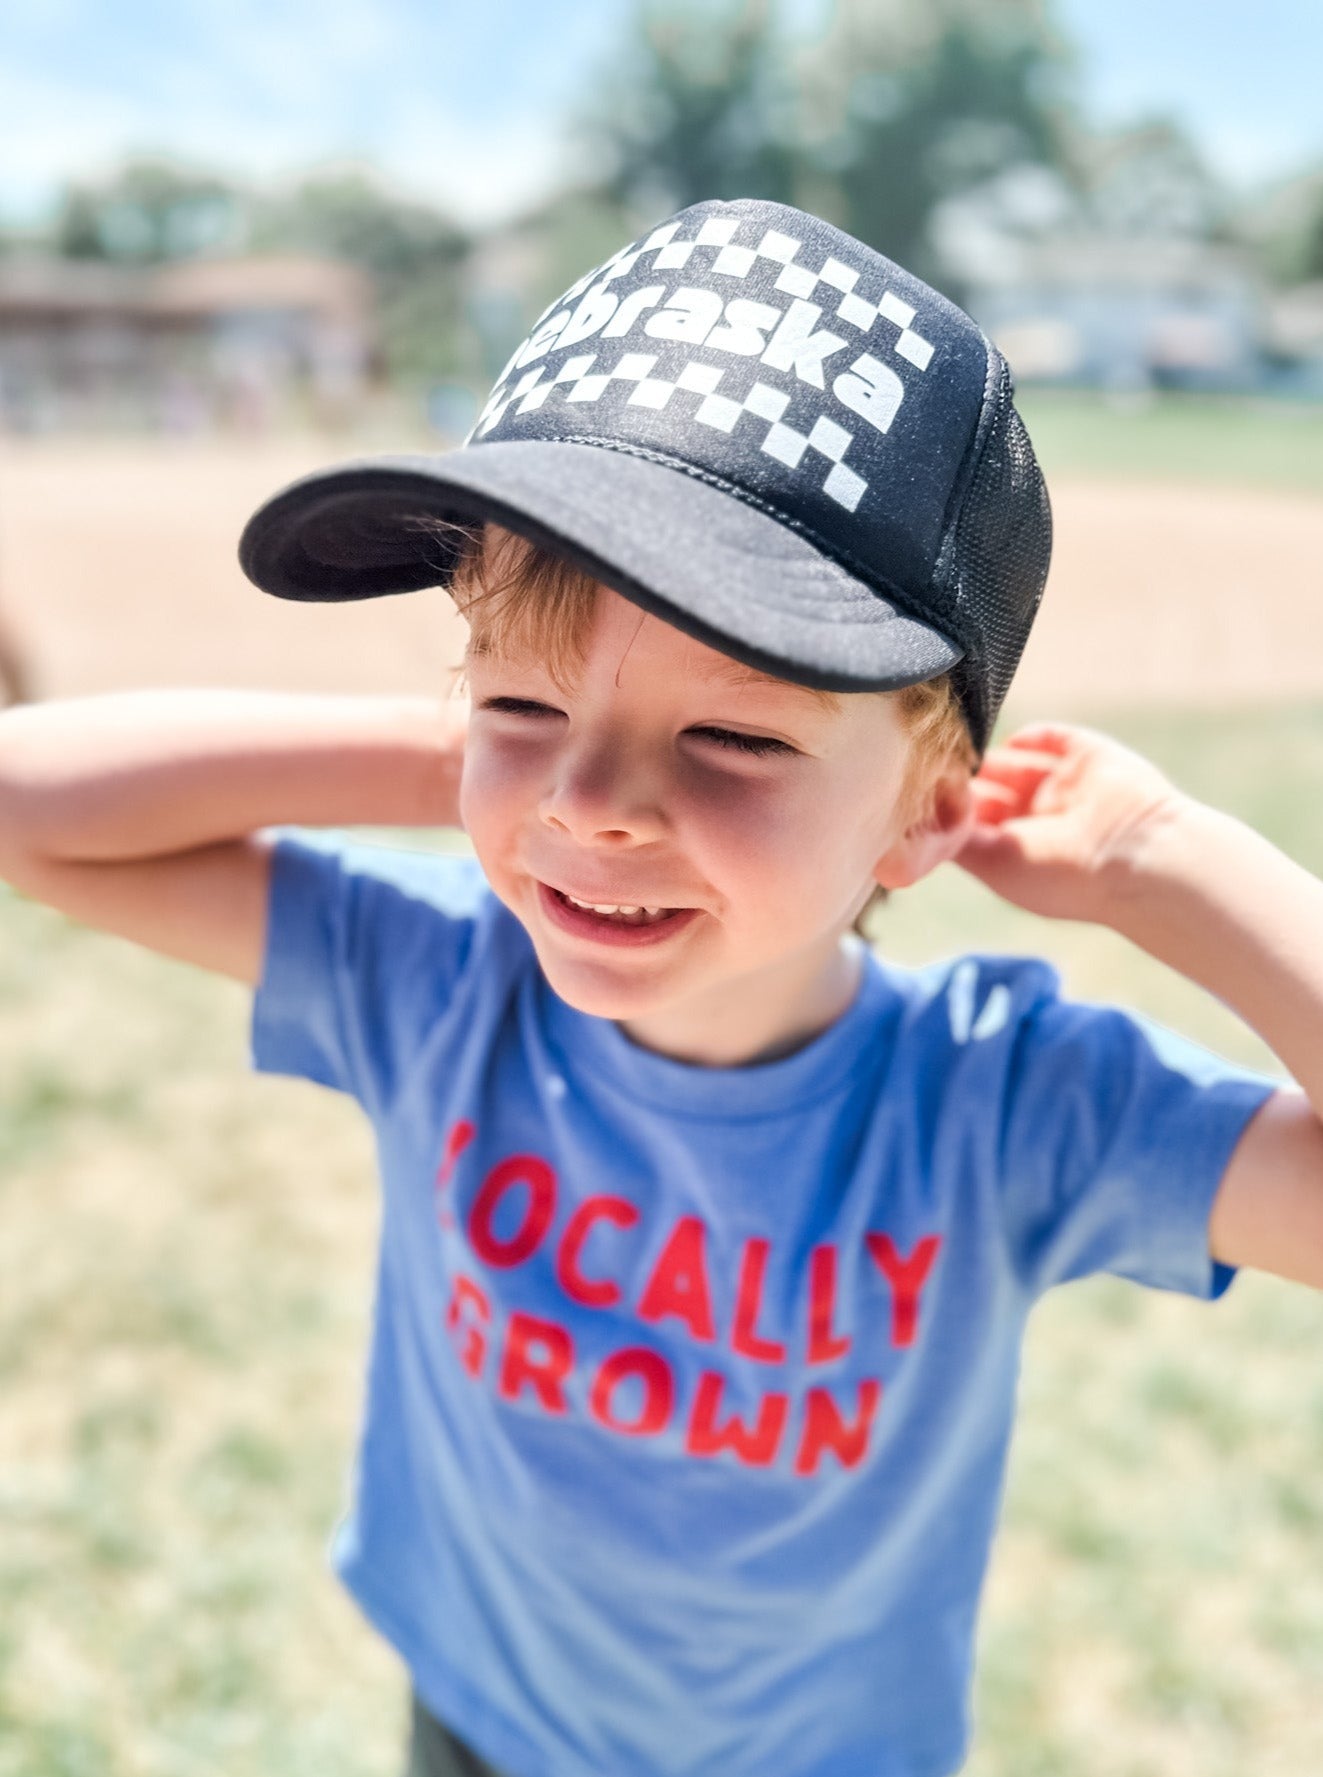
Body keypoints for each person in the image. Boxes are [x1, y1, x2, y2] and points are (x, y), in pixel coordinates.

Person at [0, 200, 1320, 1777]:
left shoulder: (999, 1099)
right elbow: (27, 804)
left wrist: (1176, 863)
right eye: (516, 699)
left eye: (739, 735)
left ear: (927, 816)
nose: (599, 805)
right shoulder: (442, 981)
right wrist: (497, 774)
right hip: (478, 1710)